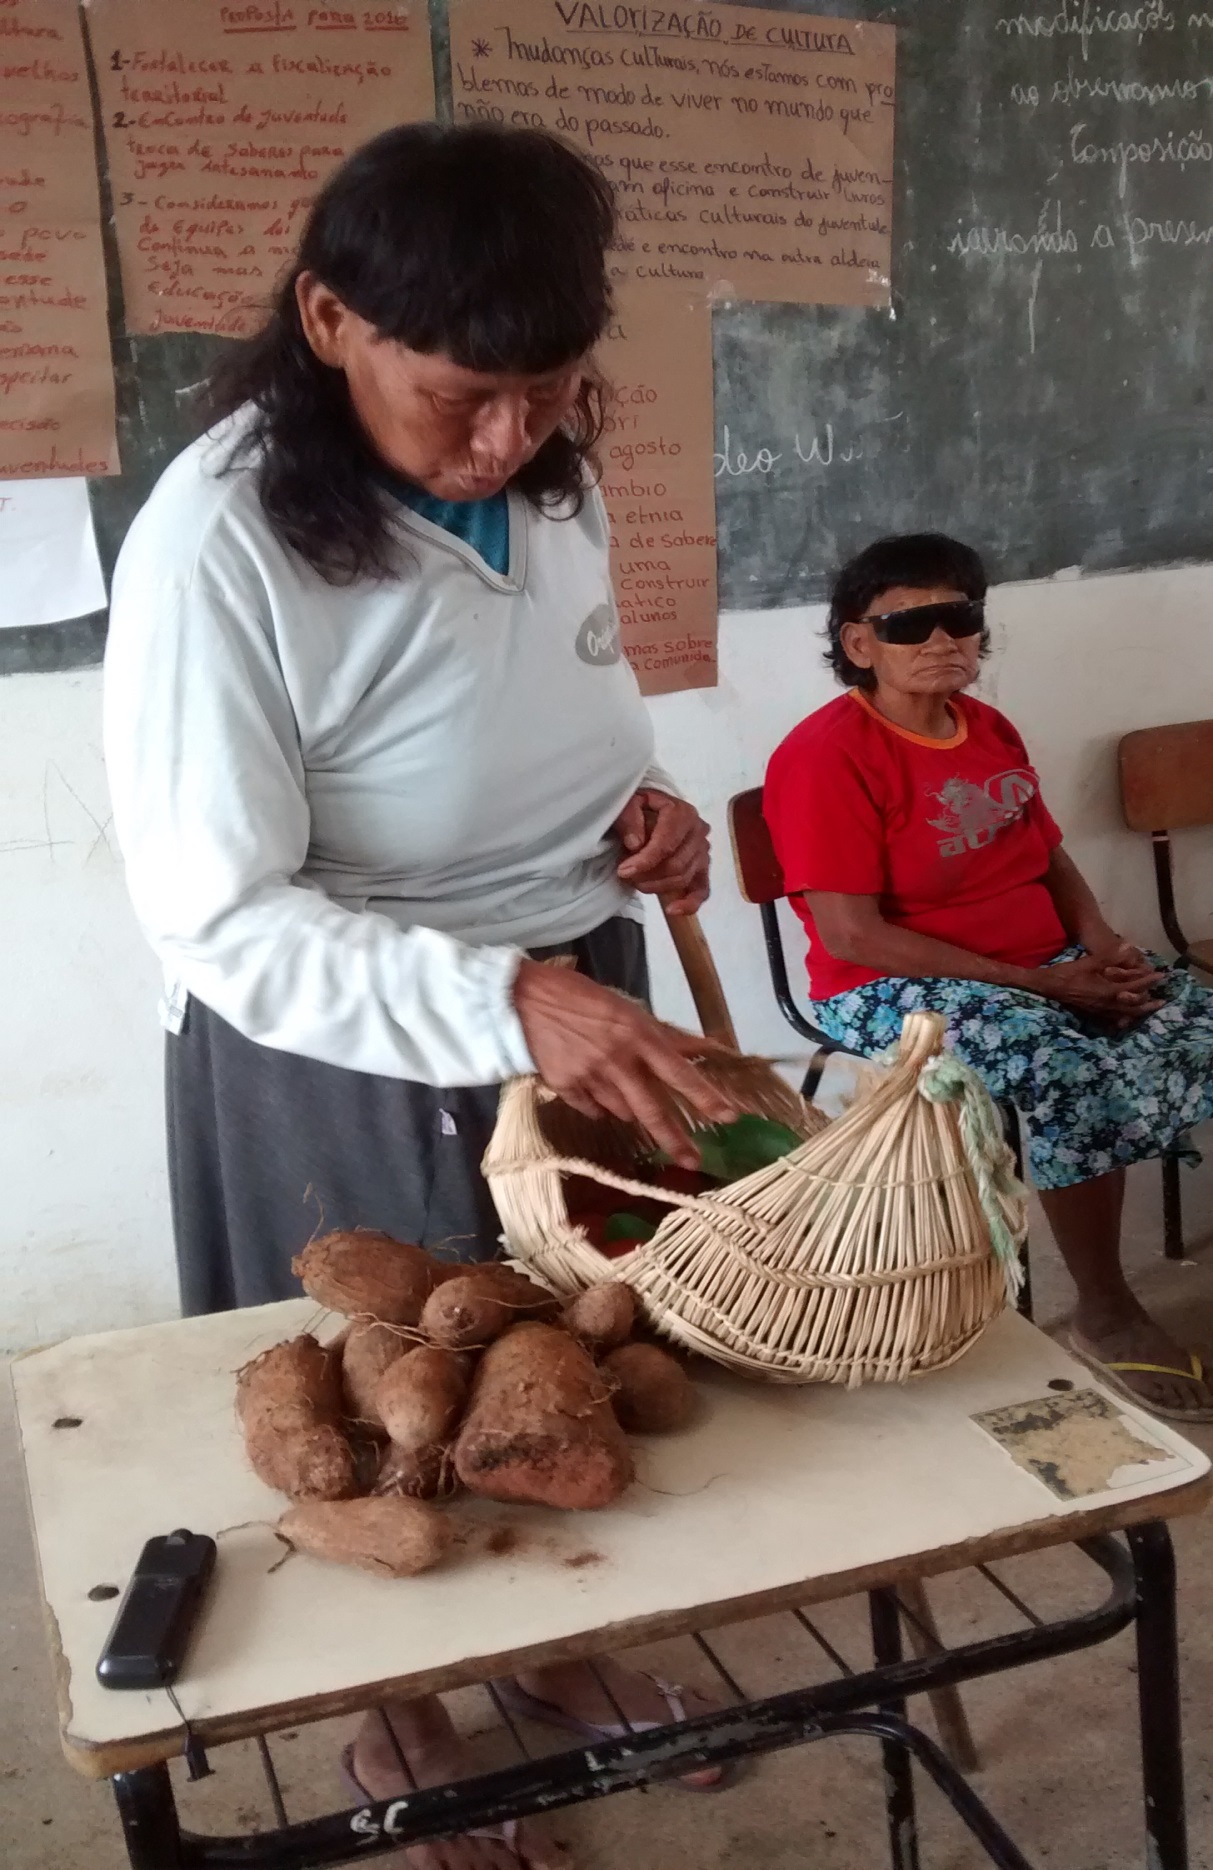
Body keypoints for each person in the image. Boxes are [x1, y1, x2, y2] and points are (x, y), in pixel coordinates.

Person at [104, 123, 732, 1870]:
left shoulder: (545, 469)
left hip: (565, 978)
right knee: (397, 1408)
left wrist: (637, 814)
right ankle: (409, 1722)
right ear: (326, 320)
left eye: (548, 389)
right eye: (464, 396)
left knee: (571, 1361)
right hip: (349, 1043)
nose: (511, 435)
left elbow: (545, 709)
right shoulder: (219, 547)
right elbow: (221, 916)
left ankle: (567, 1655)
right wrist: (506, 997)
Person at [763, 531, 1213, 1426]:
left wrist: (1102, 943)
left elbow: (1045, 853)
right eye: (909, 623)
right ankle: (1104, 1308)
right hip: (880, 985)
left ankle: (1101, 1187)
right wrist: (1049, 986)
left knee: (1189, 1018)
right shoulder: (825, 755)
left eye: (959, 617)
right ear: (858, 645)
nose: (941, 639)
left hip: (1040, 965)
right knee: (1068, 1072)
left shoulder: (988, 727)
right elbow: (854, 932)